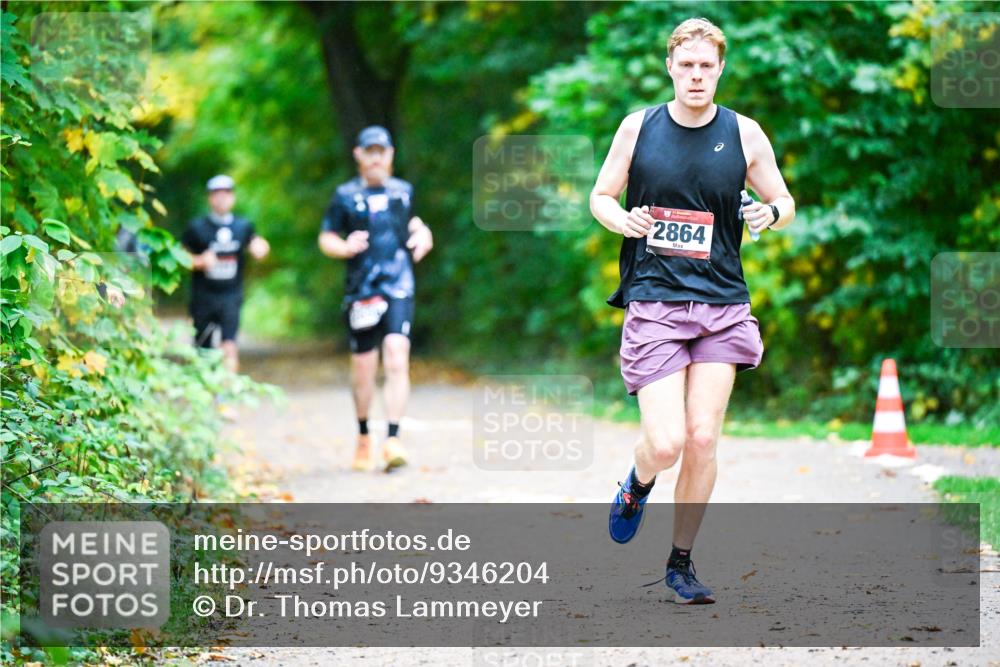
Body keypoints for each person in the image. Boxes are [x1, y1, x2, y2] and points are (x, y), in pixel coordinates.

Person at [590, 17, 795, 604]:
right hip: (655, 299)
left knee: (704, 437)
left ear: (721, 69)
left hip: (722, 303)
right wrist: (620, 218)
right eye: (687, 66)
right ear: (671, 68)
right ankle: (638, 482)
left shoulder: (745, 133)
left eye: (708, 66)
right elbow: (601, 195)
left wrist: (769, 214)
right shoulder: (639, 128)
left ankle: (681, 562)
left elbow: (784, 199)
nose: (697, 75)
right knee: (667, 442)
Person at [318, 126, 433, 473]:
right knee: (364, 369)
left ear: (391, 155)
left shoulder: (402, 192)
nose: (376, 157)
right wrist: (344, 247)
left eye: (382, 151)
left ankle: (393, 439)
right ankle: (364, 434)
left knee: (397, 355)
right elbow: (326, 237)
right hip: (362, 291)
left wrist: (422, 232)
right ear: (359, 155)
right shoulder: (344, 196)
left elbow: (411, 222)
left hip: (398, 283)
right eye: (370, 151)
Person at [181, 174, 270, 374]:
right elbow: (179, 257)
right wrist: (199, 261)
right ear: (209, 198)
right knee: (203, 349)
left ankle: (228, 398)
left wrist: (261, 248)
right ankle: (205, 398)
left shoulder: (243, 226)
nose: (221, 198)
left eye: (226, 193)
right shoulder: (196, 228)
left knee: (229, 345)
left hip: (231, 295)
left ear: (233, 197)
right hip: (203, 296)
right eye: (216, 194)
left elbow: (257, 243)